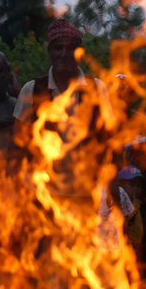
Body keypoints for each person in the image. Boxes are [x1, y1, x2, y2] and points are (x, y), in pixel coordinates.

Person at [10, 18, 114, 195]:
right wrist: (13, 190)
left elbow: (110, 142)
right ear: (49, 52)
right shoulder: (32, 90)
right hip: (40, 192)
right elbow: (16, 145)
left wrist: (112, 189)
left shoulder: (97, 89)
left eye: (71, 47)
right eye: (58, 47)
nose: (64, 54)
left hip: (85, 191)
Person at [117, 166, 145, 258]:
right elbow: (125, 219)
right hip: (129, 244)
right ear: (120, 184)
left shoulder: (136, 201)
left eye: (138, 185)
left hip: (137, 244)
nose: (136, 189)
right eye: (132, 185)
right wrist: (135, 206)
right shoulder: (121, 201)